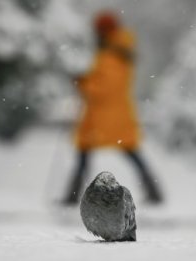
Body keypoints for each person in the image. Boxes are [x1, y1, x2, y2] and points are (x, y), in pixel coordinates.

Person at [62, 11, 163, 205]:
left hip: (108, 114)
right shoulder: (116, 51)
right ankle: (153, 191)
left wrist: (83, 83)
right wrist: (86, 81)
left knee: (90, 152)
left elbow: (105, 87)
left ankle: (72, 195)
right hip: (110, 114)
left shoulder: (113, 54)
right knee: (126, 151)